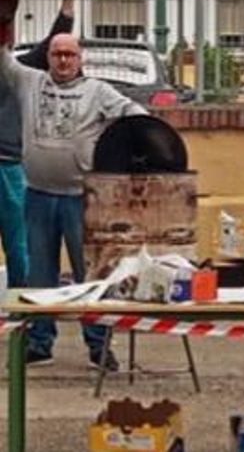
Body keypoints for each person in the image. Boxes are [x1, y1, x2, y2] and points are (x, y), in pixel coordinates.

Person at [0, 27, 145, 369]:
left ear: (81, 59)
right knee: (40, 274)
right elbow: (3, 60)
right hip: (37, 194)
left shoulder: (98, 92)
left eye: (70, 54)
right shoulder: (29, 82)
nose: (63, 60)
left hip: (82, 198)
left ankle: (98, 346)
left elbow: (133, 112)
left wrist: (148, 138)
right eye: (57, 54)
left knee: (89, 275)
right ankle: (39, 343)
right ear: (47, 58)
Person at [0, 0, 75, 290]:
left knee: (20, 245)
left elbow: (50, 48)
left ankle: (25, 312)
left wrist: (68, 4)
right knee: (20, 244)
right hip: (11, 165)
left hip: (9, 164)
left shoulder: (17, 68)